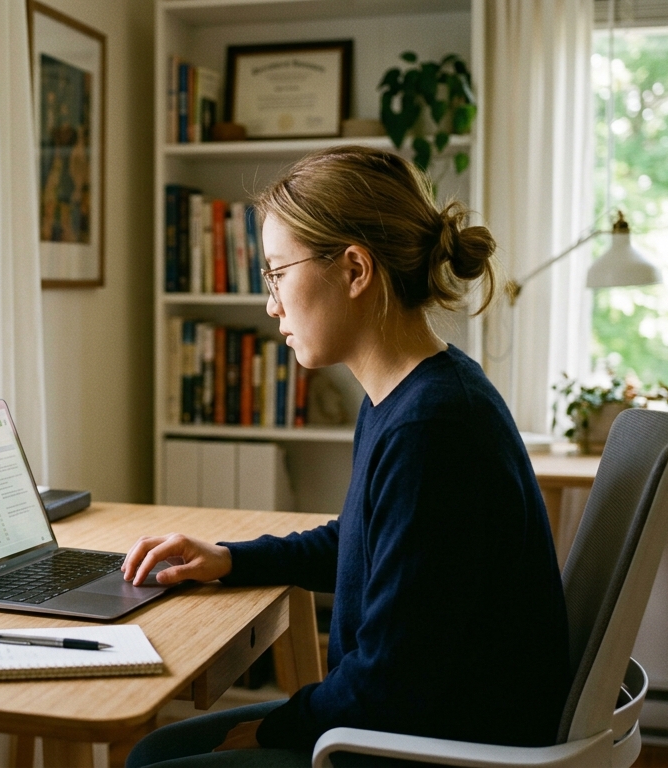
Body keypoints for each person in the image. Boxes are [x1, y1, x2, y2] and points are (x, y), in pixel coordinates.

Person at [123, 146, 570, 767]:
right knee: (158, 750)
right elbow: (361, 545)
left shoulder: (432, 427)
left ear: (355, 269)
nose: (271, 303)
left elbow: (391, 680)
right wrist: (227, 559)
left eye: (278, 273)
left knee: (154, 762)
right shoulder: (414, 394)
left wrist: (283, 727)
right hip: (417, 717)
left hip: (433, 746)